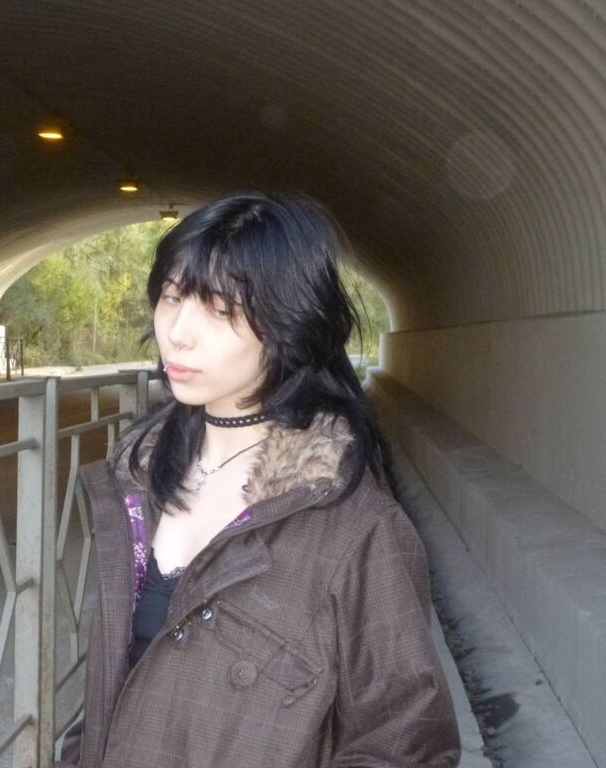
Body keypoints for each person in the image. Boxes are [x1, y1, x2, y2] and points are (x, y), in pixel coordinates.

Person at [58, 192, 460, 768]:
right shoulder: (135, 484)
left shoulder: (354, 529)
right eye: (172, 297)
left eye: (219, 308)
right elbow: (110, 692)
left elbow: (406, 744)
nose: (178, 333)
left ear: (288, 322)